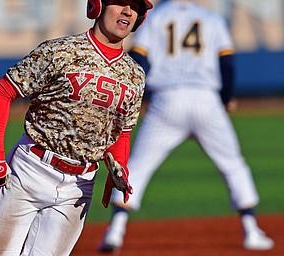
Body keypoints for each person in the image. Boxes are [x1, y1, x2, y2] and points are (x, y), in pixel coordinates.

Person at [0, 0, 153, 255]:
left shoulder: (135, 75)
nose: (127, 11)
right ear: (97, 6)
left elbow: (122, 131)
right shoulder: (60, 51)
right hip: (31, 170)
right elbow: (3, 91)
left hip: (80, 186)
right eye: (120, 2)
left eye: (135, 7)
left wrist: (119, 168)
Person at [99, 0, 274, 252]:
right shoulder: (210, 18)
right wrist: (226, 98)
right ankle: (251, 230)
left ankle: (116, 230)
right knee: (233, 164)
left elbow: (139, 59)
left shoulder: (156, 16)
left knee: (137, 166)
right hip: (206, 99)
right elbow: (227, 62)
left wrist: (140, 96)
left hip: (166, 100)